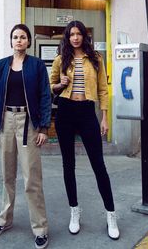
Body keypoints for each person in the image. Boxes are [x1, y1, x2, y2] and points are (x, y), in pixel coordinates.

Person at [49, 20, 120, 240]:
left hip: (88, 112)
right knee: (68, 165)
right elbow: (51, 87)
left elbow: (103, 90)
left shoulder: (96, 59)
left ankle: (111, 214)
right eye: (72, 34)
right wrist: (60, 84)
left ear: (84, 36)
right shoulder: (61, 59)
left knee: (98, 164)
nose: (75, 37)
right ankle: (74, 211)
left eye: (79, 33)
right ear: (67, 37)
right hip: (65, 113)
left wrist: (105, 117)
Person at [0, 24, 51, 249]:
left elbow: (45, 95)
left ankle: (40, 228)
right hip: (5, 121)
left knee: (31, 177)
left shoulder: (36, 65)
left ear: (29, 41)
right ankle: (4, 220)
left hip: (28, 123)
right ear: (11, 41)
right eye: (15, 37)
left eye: (23, 37)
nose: (19, 40)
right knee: (7, 176)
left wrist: (44, 128)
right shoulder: (1, 66)